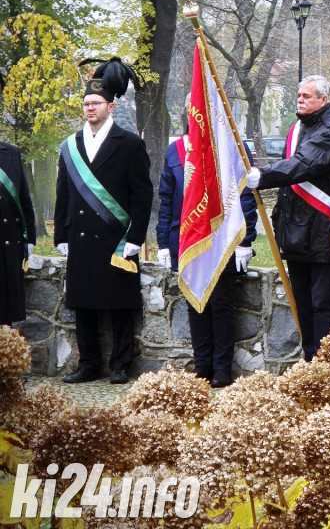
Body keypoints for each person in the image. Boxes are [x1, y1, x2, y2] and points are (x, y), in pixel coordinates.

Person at [247, 75, 330, 362]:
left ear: (323, 100)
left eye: (307, 96)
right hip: (295, 228)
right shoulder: (299, 128)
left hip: (321, 228)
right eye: (298, 95)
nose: (300, 100)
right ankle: (309, 359)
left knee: (321, 302)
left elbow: (304, 164)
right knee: (302, 301)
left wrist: (263, 175)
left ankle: (323, 362)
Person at [56, 59, 152, 383]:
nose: (90, 109)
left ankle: (121, 365)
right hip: (81, 238)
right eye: (86, 104)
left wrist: (136, 238)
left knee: (120, 305)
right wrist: (61, 236)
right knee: (83, 305)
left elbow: (142, 197)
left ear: (111, 106)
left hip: (117, 238)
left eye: (96, 103)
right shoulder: (70, 146)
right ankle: (88, 365)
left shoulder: (130, 144)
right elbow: (64, 194)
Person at [156, 129, 259, 386]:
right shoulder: (176, 150)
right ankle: (202, 366)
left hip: (222, 237)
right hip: (187, 237)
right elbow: (167, 200)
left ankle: (222, 369)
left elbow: (245, 193)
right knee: (194, 301)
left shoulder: (233, 146)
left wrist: (245, 239)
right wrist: (162, 243)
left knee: (221, 303)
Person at [1, 138, 35, 326]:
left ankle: (5, 353)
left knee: (4, 313)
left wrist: (29, 236)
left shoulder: (11, 152)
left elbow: (23, 196)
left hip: (7, 243)